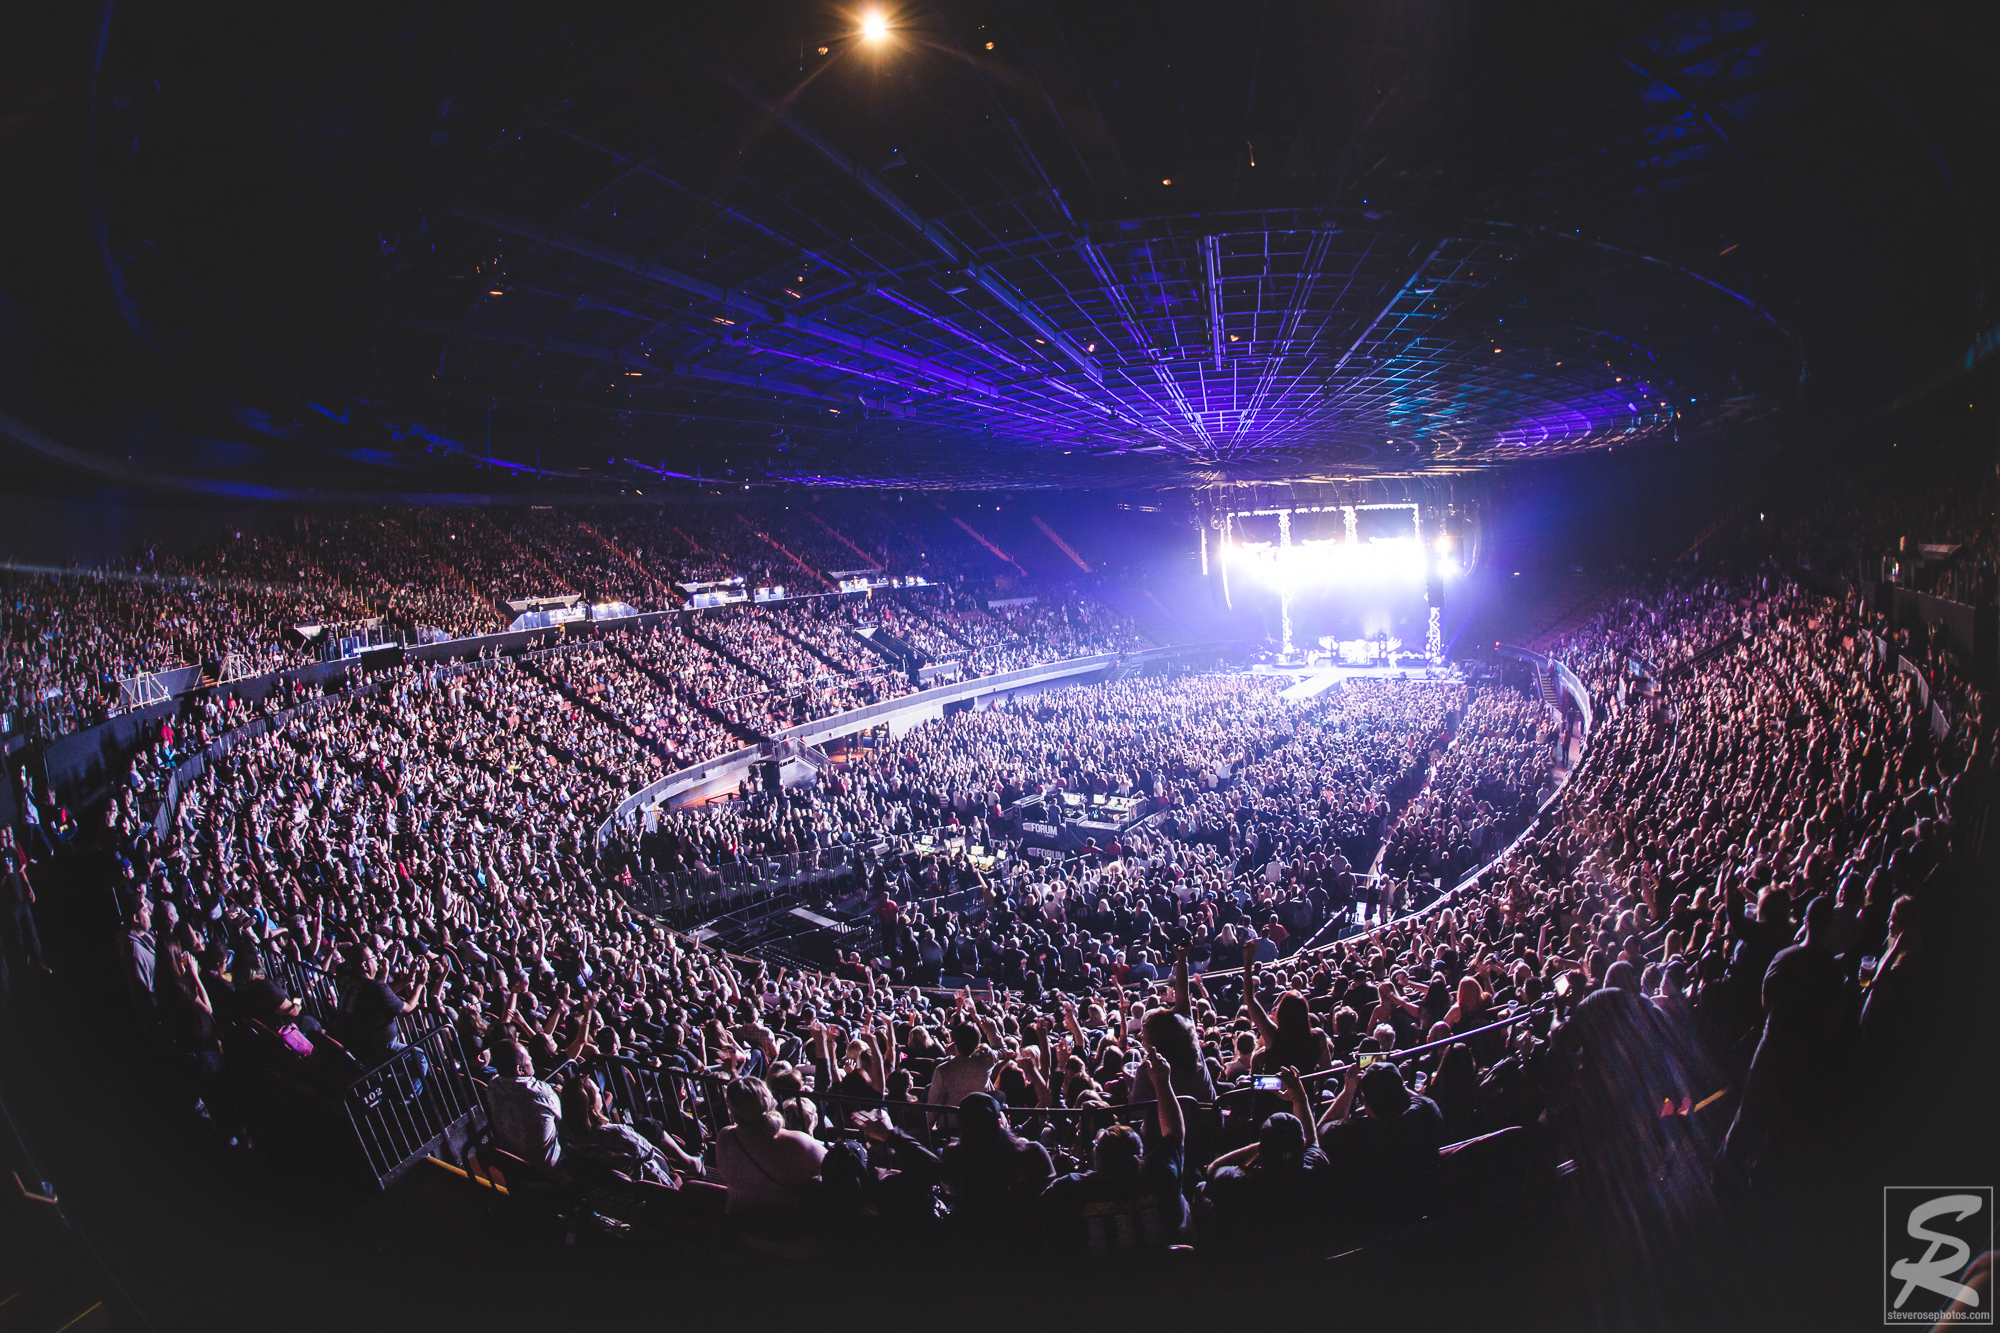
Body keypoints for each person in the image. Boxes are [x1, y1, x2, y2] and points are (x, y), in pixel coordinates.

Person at [1039, 1051, 1187, 1253]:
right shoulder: (1160, 1175)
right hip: (1160, 1279)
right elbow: (1175, 1134)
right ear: (1139, 1156)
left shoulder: (1069, 1190)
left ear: (1096, 1158)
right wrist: (1162, 1082)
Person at [714, 1076, 825, 1249]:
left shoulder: (724, 1137)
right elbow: (834, 1168)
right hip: (792, 1239)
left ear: (731, 1109)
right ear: (768, 1100)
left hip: (744, 1234)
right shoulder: (798, 1141)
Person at [937, 1091, 1053, 1232]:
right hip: (1021, 1236)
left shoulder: (952, 1155)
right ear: (999, 1123)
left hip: (970, 1237)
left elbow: (950, 1190)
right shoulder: (1032, 1152)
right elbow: (1049, 1194)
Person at [486, 1038, 562, 1172]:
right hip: (548, 1169)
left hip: (515, 1168)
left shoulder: (492, 1086)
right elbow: (565, 1117)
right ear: (519, 1070)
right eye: (527, 1058)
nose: (531, 1058)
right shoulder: (541, 1092)